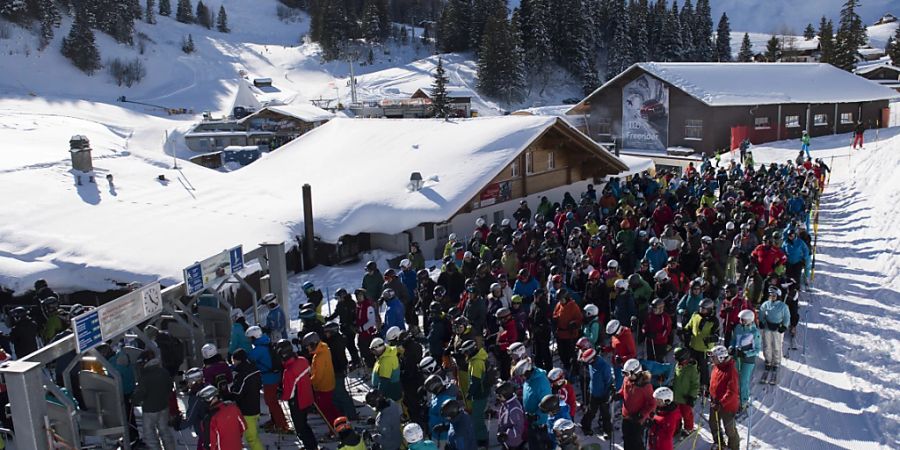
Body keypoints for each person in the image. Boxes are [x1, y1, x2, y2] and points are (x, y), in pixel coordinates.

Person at [245, 326, 290, 433]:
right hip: (274, 375)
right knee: (271, 401)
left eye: (250, 338)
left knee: (271, 401)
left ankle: (282, 424)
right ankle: (274, 420)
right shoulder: (266, 342)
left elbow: (249, 359)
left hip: (269, 378)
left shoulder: (259, 349)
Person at [278, 339, 319, 449]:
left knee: (300, 428)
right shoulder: (302, 360)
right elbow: (309, 373)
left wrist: (282, 396)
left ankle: (311, 447)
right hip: (308, 397)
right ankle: (312, 445)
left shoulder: (289, 371)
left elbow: (289, 393)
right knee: (305, 424)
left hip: (297, 402)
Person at [132, 357, 177, 450]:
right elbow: (170, 387)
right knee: (164, 430)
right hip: (164, 406)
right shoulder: (164, 372)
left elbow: (141, 393)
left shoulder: (145, 376)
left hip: (150, 409)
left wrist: (134, 399)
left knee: (149, 434)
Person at [302, 332, 341, 431]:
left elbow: (318, 377)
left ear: (313, 344)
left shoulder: (319, 356)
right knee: (330, 407)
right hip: (328, 383)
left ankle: (334, 429)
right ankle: (341, 424)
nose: (307, 349)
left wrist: (309, 383)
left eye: (308, 346)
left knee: (326, 411)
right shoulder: (323, 349)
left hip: (323, 387)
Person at [226, 349, 263, 450]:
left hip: (247, 410)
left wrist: (227, 393)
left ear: (238, 360)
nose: (233, 363)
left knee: (252, 438)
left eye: (233, 361)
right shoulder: (254, 368)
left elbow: (238, 393)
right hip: (255, 405)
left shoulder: (242, 374)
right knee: (249, 434)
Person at [322, 322, 358, 420]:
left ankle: (351, 414)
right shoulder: (335, 339)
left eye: (327, 332)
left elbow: (335, 356)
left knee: (341, 393)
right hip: (336, 369)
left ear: (332, 332)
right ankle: (341, 412)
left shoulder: (335, 342)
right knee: (335, 393)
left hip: (337, 370)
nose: (326, 334)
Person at [618, 359, 656, 450]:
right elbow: (623, 391)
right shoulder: (627, 380)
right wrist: (618, 395)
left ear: (636, 373)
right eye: (624, 373)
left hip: (637, 420)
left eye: (627, 374)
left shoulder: (645, 386)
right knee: (627, 439)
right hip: (626, 417)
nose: (626, 376)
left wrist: (642, 414)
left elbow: (652, 404)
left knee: (636, 443)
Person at [708, 345, 741, 450]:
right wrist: (710, 392)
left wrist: (721, 403)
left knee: (729, 429)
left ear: (721, 357)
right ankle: (719, 442)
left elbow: (732, 391)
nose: (712, 359)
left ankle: (734, 447)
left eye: (714, 357)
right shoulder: (716, 367)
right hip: (715, 402)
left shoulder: (731, 371)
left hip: (727, 405)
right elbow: (714, 382)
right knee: (713, 423)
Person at [578, 348, 614, 439]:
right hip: (592, 392)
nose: (587, 364)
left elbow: (608, 380)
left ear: (593, 359)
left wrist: (608, 392)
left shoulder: (604, 366)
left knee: (605, 413)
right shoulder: (591, 364)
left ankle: (607, 431)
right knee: (591, 411)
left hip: (603, 394)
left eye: (588, 362)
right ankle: (585, 426)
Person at [199, 385, 248, 450]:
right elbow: (244, 427)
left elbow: (210, 443)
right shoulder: (233, 408)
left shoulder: (209, 418)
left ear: (211, 398)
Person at [758, 286, 790, 384]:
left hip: (777, 328)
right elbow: (761, 313)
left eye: (774, 295)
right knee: (767, 345)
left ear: (778, 296)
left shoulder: (783, 306)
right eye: (771, 295)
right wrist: (762, 321)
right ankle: (768, 360)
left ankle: (776, 362)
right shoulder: (766, 304)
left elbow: (787, 317)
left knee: (777, 345)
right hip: (768, 327)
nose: (772, 296)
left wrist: (784, 326)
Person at [731, 309, 761, 412]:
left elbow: (757, 349)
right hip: (737, 357)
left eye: (743, 320)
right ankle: (734, 398)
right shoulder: (738, 328)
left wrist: (746, 353)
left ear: (749, 320)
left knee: (743, 380)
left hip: (748, 359)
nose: (741, 321)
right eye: (740, 319)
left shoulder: (754, 332)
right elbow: (734, 339)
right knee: (734, 378)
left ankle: (743, 401)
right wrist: (731, 347)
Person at [461, 340, 490, 447]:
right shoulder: (475, 359)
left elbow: (476, 381)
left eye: (465, 352)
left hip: (479, 394)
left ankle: (482, 439)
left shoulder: (476, 362)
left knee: (477, 418)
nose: (465, 354)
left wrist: (469, 393)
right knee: (477, 417)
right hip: (480, 393)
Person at [684, 298, 718, 388]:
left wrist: (711, 338)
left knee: (703, 368)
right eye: (700, 308)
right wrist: (685, 330)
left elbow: (717, 335)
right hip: (693, 346)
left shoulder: (713, 320)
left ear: (709, 309)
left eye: (704, 309)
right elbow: (689, 325)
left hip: (704, 349)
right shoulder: (695, 315)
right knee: (691, 366)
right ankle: (691, 383)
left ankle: (705, 385)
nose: (701, 310)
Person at [326, 288, 360, 367]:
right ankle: (355, 359)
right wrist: (327, 318)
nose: (338, 300)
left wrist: (352, 324)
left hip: (351, 328)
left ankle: (356, 361)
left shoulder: (351, 303)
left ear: (343, 296)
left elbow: (354, 315)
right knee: (347, 344)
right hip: (343, 328)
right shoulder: (340, 304)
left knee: (351, 344)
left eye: (338, 298)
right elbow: (336, 313)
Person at [670, 347, 699, 438]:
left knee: (686, 414)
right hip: (676, 396)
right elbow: (675, 378)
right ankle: (677, 428)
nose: (678, 362)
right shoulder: (677, 366)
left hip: (685, 397)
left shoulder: (691, 369)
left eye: (680, 360)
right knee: (675, 414)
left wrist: (692, 396)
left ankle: (689, 428)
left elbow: (695, 384)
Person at [553, 290, 582, 375]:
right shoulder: (559, 305)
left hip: (570, 335)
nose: (560, 301)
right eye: (559, 300)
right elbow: (555, 313)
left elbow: (579, 319)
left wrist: (574, 324)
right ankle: (566, 367)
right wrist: (555, 319)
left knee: (571, 355)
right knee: (562, 353)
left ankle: (574, 371)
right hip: (560, 334)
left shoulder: (573, 306)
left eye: (562, 299)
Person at [603, 319, 636, 389]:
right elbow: (613, 347)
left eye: (613, 334)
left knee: (622, 386)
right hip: (616, 364)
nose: (612, 336)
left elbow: (633, 354)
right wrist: (604, 349)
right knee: (618, 384)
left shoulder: (627, 337)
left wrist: (622, 359)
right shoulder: (615, 336)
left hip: (624, 366)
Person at [424, 374, 456, 443]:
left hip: (442, 436)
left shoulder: (445, 400)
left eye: (431, 390)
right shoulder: (439, 395)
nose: (431, 392)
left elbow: (451, 418)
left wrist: (444, 427)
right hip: (435, 431)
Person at [496, 380, 526, 449]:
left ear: (506, 395)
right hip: (505, 440)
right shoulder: (505, 404)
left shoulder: (514, 409)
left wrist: (506, 434)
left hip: (513, 442)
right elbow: (503, 416)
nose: (498, 398)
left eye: (500, 396)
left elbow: (519, 428)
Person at [355, 288, 380, 368]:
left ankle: (373, 367)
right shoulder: (358, 305)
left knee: (368, 352)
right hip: (361, 333)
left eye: (360, 296)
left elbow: (372, 321)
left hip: (368, 334)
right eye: (357, 296)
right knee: (362, 349)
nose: (359, 297)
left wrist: (362, 328)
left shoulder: (368, 306)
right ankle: (367, 366)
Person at [643, 298, 672, 363]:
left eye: (655, 309)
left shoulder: (665, 317)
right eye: (653, 308)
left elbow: (666, 331)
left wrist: (656, 335)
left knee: (658, 359)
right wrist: (645, 331)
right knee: (650, 358)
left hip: (660, 343)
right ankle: (650, 371)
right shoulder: (650, 315)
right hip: (650, 340)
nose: (653, 310)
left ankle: (659, 371)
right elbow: (645, 324)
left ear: (660, 308)